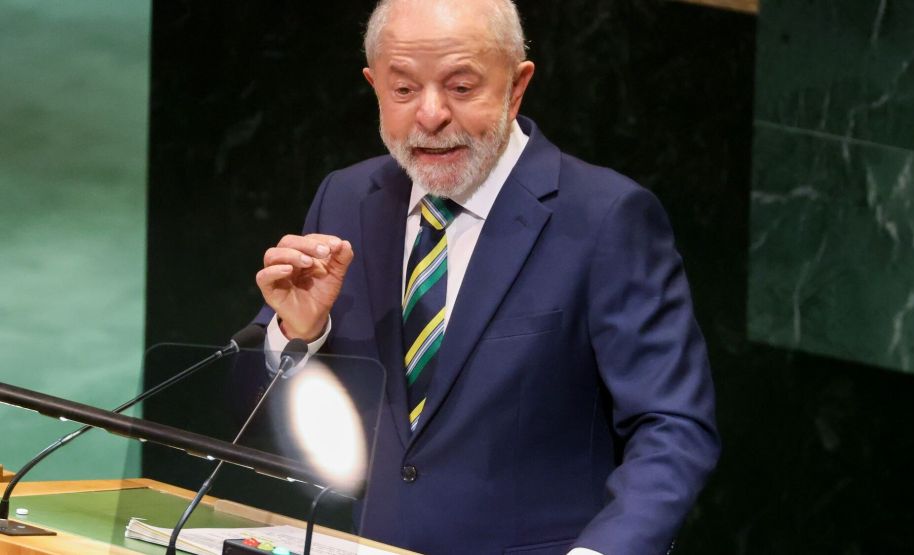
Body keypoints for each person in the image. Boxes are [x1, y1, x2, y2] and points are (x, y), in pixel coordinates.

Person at [253, 0, 719, 553]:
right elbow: (262, 412)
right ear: (373, 85)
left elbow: (673, 427)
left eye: (461, 87)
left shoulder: (605, 218)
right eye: (403, 90)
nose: (430, 116)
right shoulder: (347, 199)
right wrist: (298, 333)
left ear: (517, 86)